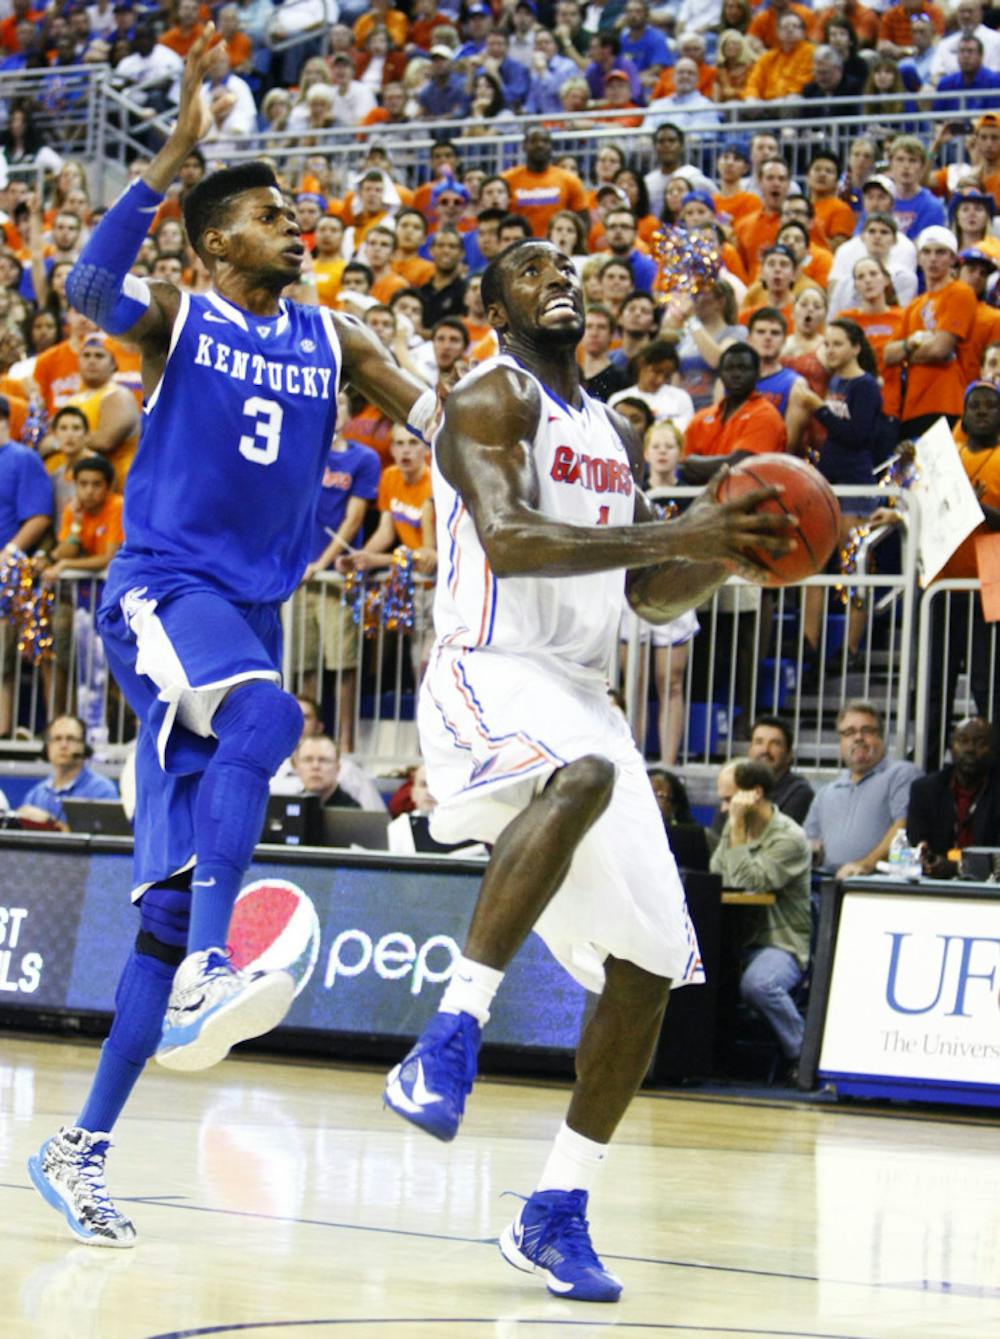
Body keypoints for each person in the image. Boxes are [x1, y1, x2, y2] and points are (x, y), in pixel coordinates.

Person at [28, 29, 437, 1249]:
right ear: (216, 243)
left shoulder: (337, 337)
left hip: (243, 612)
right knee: (268, 716)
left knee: (152, 922)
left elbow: (442, 422)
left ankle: (80, 1145)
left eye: (293, 210)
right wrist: (166, 163)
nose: (293, 222)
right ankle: (220, 960)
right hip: (162, 589)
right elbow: (87, 295)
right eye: (269, 212)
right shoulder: (185, 318)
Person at [380, 236, 794, 1302]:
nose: (555, 275)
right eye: (526, 268)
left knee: (656, 962)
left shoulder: (608, 426)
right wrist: (688, 522)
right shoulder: (490, 393)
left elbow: (642, 595)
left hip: (584, 694)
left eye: (567, 264)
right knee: (583, 776)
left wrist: (724, 554)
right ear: (495, 306)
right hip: (488, 667)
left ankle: (554, 1208)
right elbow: (512, 538)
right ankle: (449, 1032)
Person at [710, 758, 812, 1072]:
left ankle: (804, 1057)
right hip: (736, 938)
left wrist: (738, 833)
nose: (725, 809)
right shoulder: (735, 823)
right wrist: (736, 831)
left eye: (729, 799)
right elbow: (716, 873)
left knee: (759, 985)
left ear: (754, 793)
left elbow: (747, 886)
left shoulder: (789, 838)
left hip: (780, 943)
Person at [804, 699, 921, 879]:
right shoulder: (826, 792)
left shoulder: (900, 774)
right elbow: (809, 843)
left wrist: (866, 864)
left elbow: (903, 826)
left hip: (878, 884)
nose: (858, 738)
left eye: (867, 731)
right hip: (829, 883)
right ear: (841, 741)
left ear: (881, 737)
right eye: (849, 732)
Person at [907, 717, 1000, 878]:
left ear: (993, 749)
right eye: (963, 741)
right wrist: (925, 858)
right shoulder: (925, 790)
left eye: (980, 743)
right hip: (934, 886)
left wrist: (958, 868)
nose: (970, 749)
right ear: (951, 747)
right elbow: (916, 845)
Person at [681, 342, 787, 481]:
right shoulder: (701, 418)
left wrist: (692, 462)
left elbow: (742, 466)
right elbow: (683, 469)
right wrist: (690, 464)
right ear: (720, 374)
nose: (736, 374)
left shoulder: (766, 415)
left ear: (757, 373)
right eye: (729, 368)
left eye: (743, 368)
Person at [16, 713, 118, 827]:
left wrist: (51, 823)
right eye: (57, 739)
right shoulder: (35, 795)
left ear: (84, 746)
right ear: (47, 747)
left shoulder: (102, 790)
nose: (63, 745)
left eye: (70, 739)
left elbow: (106, 840)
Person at [748, 716, 814, 824]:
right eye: (759, 742)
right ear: (749, 750)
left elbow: (779, 836)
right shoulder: (740, 785)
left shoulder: (800, 793)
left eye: (775, 743)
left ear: (789, 755)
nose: (765, 750)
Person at [293, 733, 362, 809]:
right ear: (296, 767)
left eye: (324, 760)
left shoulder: (352, 813)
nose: (315, 766)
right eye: (308, 760)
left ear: (337, 768)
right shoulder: (289, 805)